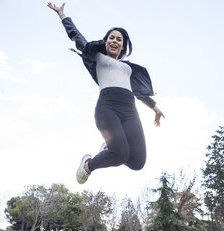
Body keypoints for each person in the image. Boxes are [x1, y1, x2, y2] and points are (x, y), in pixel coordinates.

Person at [48, 2, 165, 184]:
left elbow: (139, 92)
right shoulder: (98, 57)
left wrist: (155, 108)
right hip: (107, 107)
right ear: (105, 41)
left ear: (123, 47)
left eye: (119, 39)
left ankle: (107, 149)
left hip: (130, 111)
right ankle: (87, 165)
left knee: (137, 162)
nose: (115, 41)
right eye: (112, 37)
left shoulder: (128, 68)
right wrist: (62, 15)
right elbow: (76, 36)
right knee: (120, 153)